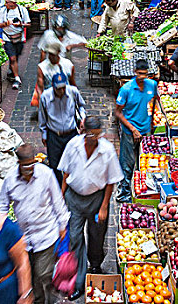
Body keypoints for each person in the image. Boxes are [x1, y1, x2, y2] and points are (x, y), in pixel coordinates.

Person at [58, 116, 124, 300]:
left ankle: (95, 264)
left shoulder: (107, 150)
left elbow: (111, 182)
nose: (93, 138)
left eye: (96, 135)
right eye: (89, 135)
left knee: (97, 235)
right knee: (75, 238)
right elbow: (66, 173)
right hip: (75, 199)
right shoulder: (73, 146)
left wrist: (104, 206)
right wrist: (62, 198)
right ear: (82, 131)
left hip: (96, 200)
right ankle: (79, 282)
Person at [0, 144, 70, 304]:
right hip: (23, 239)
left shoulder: (46, 175)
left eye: (32, 165)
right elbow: (3, 206)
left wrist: (62, 226)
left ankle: (48, 298)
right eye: (26, 167)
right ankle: (38, 299)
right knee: (28, 275)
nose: (30, 170)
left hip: (46, 235)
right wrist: (1, 228)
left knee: (42, 274)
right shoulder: (10, 179)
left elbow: (57, 201)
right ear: (19, 164)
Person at [115, 59, 157, 203]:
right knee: (127, 163)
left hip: (145, 131)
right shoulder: (126, 89)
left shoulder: (152, 85)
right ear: (134, 72)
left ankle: (142, 195)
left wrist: (151, 122)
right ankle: (123, 193)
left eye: (145, 74)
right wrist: (133, 129)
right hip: (129, 131)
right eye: (139, 74)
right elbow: (118, 113)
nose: (142, 77)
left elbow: (154, 102)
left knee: (144, 164)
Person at [39, 72, 86, 184]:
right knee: (55, 164)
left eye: (63, 88)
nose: (61, 91)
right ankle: (59, 187)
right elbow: (42, 117)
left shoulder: (73, 91)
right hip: (54, 134)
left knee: (74, 161)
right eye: (58, 89)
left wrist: (83, 118)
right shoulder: (45, 96)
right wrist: (44, 134)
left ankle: (72, 184)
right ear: (53, 86)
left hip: (71, 133)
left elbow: (81, 106)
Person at [0, 0, 31, 90]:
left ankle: (12, 71)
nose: (5, 4)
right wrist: (5, 24)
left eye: (7, 2)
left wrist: (20, 24)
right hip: (7, 38)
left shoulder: (22, 10)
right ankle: (17, 78)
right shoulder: (3, 11)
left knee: (17, 56)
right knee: (12, 58)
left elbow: (28, 24)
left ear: (13, 3)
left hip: (19, 37)